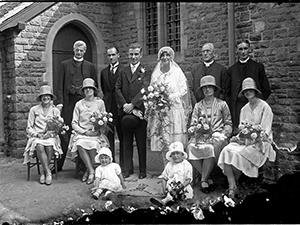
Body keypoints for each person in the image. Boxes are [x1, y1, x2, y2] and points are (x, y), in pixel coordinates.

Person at [218, 77, 276, 198]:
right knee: (226, 150)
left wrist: (252, 137)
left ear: (255, 91)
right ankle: (232, 185)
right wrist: (239, 137)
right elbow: (242, 128)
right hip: (245, 140)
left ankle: (237, 181)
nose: (247, 92)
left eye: (250, 90)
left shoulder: (265, 107)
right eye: (245, 91)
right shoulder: (244, 109)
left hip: (261, 141)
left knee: (240, 153)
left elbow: (265, 131)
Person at [56, 40, 98, 174]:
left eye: (81, 50)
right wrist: (60, 104)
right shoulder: (64, 65)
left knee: (84, 132)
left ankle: (83, 167)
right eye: (77, 50)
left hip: (84, 104)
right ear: (74, 50)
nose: (79, 52)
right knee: (65, 133)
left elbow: (94, 85)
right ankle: (59, 165)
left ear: (84, 51)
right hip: (68, 103)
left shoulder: (90, 66)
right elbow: (59, 85)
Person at [187, 75, 232, 193]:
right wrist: (193, 129)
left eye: (210, 87)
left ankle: (203, 180)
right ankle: (206, 177)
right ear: (202, 90)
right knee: (190, 147)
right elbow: (193, 123)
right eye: (204, 88)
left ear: (214, 89)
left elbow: (228, 123)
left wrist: (223, 134)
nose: (207, 90)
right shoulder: (198, 106)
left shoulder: (222, 104)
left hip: (217, 135)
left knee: (211, 148)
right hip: (201, 135)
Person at [148, 46, 192, 165]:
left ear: (171, 57)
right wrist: (157, 99)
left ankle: (179, 166)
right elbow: (152, 90)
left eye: (167, 55)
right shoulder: (156, 74)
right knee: (163, 138)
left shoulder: (177, 72)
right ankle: (166, 168)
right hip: (162, 111)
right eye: (162, 56)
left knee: (175, 139)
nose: (165, 57)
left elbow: (183, 90)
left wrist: (170, 97)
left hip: (175, 109)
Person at [115, 43, 151, 179]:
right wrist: (125, 105)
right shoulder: (123, 71)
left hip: (140, 112)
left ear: (140, 55)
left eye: (136, 54)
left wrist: (133, 104)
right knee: (126, 141)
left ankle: (142, 170)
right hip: (125, 111)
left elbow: (145, 89)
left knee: (141, 141)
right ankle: (127, 169)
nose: (133, 57)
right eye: (131, 54)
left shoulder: (145, 70)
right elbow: (117, 88)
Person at [224, 40, 271, 134]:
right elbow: (227, 92)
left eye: (245, 48)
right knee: (240, 133)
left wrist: (258, 103)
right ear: (237, 51)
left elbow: (266, 89)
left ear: (249, 50)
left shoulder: (257, 67)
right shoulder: (231, 70)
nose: (243, 52)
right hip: (238, 107)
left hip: (255, 106)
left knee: (255, 133)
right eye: (240, 49)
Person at [68, 78, 109, 185]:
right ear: (83, 91)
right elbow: (74, 123)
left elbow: (104, 119)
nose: (88, 90)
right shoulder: (79, 104)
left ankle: (88, 170)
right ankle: (91, 171)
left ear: (94, 90)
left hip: (95, 134)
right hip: (83, 133)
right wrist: (84, 132)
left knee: (94, 144)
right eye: (86, 89)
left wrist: (98, 131)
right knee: (80, 143)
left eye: (90, 88)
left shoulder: (100, 103)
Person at [23, 84, 63, 185]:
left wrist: (50, 134)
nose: (46, 97)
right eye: (43, 96)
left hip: (50, 137)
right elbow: (29, 127)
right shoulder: (34, 110)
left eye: (48, 96)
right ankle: (48, 172)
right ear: (41, 98)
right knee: (39, 145)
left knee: (49, 146)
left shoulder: (55, 110)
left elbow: (58, 127)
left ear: (51, 97)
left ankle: (43, 172)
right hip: (37, 136)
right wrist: (37, 135)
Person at [100, 47, 124, 165]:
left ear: (118, 55)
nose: (111, 57)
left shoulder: (124, 70)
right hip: (108, 108)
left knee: (122, 136)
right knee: (109, 136)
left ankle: (124, 164)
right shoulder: (104, 72)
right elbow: (105, 90)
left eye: (113, 55)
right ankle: (110, 161)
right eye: (109, 55)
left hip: (120, 107)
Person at [151, 141, 193, 206]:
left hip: (183, 186)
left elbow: (188, 179)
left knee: (182, 195)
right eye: (173, 154)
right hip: (171, 187)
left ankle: (167, 201)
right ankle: (169, 200)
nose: (175, 156)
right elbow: (164, 178)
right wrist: (164, 188)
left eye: (178, 153)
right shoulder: (169, 164)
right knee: (170, 192)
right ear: (171, 155)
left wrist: (179, 187)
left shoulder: (187, 165)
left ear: (182, 155)